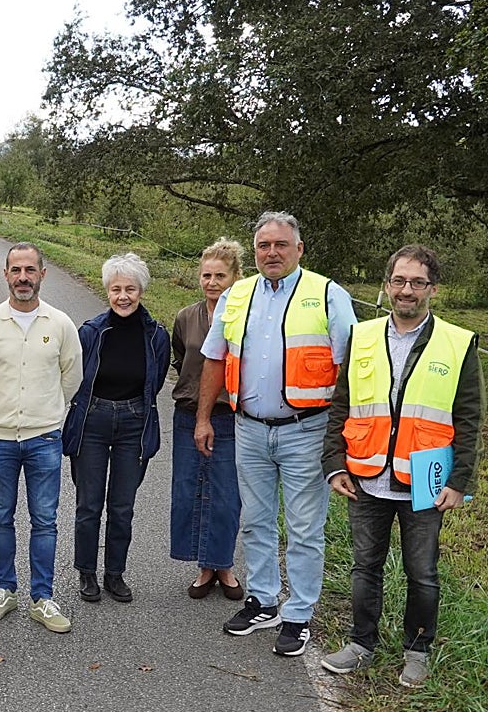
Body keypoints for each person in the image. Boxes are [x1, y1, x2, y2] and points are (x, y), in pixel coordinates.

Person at [320, 245, 484, 688]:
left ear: (432, 288)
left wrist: (459, 481)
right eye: (399, 281)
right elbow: (343, 405)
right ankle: (361, 643)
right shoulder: (363, 336)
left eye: (416, 282)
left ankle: (417, 650)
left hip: (426, 484)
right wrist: (335, 463)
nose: (406, 290)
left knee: (422, 572)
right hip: (367, 477)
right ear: (387, 284)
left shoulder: (457, 342)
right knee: (365, 566)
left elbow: (469, 419)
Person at [195, 211, 356, 657]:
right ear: (255, 251)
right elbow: (214, 358)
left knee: (305, 528)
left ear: (299, 249)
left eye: (281, 245)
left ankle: (299, 613)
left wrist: (344, 437)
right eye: (264, 245)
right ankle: (264, 600)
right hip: (248, 428)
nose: (272, 253)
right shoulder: (237, 294)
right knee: (256, 521)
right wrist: (204, 418)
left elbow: (351, 371)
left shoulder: (328, 295)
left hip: (308, 430)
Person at [0, 242, 83, 633]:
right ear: (6, 275)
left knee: (45, 520)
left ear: (42, 275)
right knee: (0, 518)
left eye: (30, 270)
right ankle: (5, 589)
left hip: (44, 440)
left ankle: (43, 598)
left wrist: (45, 414)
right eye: (16, 270)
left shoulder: (61, 325)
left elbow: (71, 378)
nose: (23, 278)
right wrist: (0, 410)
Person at [62, 253, 169, 603]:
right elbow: (75, 377)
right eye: (116, 289)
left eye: (131, 289)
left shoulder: (156, 336)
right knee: (89, 504)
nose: (123, 296)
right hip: (92, 421)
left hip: (133, 424)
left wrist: (132, 410)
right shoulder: (91, 332)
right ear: (107, 291)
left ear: (141, 291)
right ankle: (87, 573)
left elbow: (154, 383)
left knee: (122, 506)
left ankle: (115, 574)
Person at [169, 239, 245, 601]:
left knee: (226, 493)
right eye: (206, 276)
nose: (212, 282)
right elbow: (180, 356)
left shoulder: (245, 316)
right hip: (188, 412)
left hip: (230, 415)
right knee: (191, 490)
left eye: (220, 276)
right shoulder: (186, 317)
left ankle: (224, 565)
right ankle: (203, 567)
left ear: (235, 277)